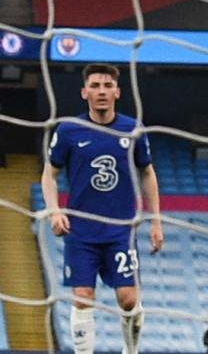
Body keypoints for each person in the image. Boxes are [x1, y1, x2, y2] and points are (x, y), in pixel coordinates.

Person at [43, 63, 163, 354]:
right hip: (81, 231)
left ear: (117, 92)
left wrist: (156, 220)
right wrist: (54, 210)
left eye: (107, 86)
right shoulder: (69, 130)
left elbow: (147, 172)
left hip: (121, 230)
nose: (101, 92)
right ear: (84, 92)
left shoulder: (132, 129)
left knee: (128, 299)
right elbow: (49, 174)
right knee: (82, 296)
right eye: (95, 86)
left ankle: (130, 351)